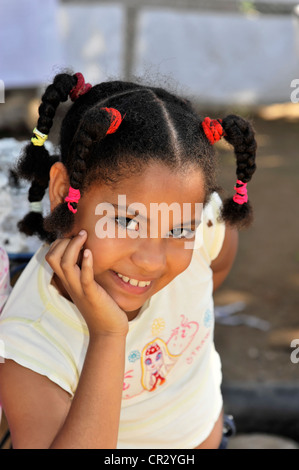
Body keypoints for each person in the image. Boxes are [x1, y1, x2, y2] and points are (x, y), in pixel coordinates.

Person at [0, 72, 257, 449]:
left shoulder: (206, 225)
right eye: (125, 220)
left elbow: (215, 266)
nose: (152, 262)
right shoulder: (31, 339)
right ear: (61, 191)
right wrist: (108, 335)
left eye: (178, 230)